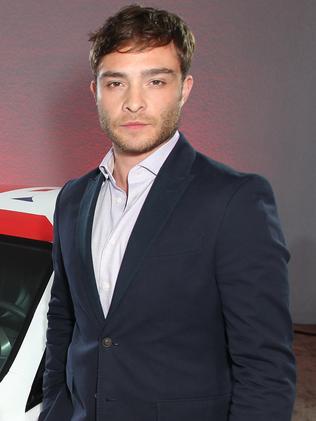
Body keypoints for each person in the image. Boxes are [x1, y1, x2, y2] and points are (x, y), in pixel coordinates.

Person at [39, 4, 296, 421]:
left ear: (184, 88)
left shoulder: (235, 199)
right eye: (117, 83)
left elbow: (265, 367)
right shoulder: (72, 199)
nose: (134, 103)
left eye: (155, 81)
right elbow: (64, 323)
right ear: (96, 92)